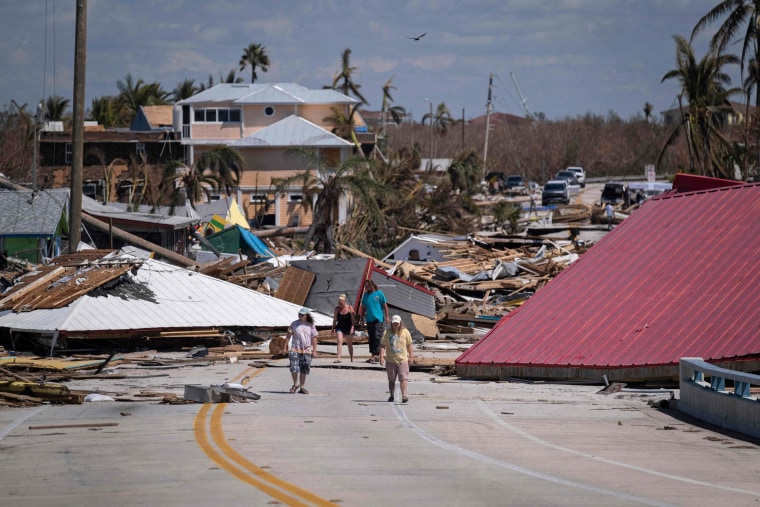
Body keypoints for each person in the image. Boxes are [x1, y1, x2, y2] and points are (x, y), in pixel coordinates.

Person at [380, 315, 413, 403]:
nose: (395, 324)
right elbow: (383, 345)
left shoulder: (405, 332)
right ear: (392, 323)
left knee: (403, 378)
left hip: (402, 360)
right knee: (391, 379)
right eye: (394, 323)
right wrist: (381, 356)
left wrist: (411, 357)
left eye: (397, 323)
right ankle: (391, 395)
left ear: (400, 323)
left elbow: (409, 345)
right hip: (391, 360)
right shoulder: (387, 332)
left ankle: (404, 396)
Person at [286, 307, 318, 394]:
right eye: (299, 314)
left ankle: (302, 387)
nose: (300, 316)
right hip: (295, 348)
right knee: (294, 367)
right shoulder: (294, 324)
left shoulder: (311, 325)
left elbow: (314, 338)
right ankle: (295, 384)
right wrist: (284, 347)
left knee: (304, 368)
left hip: (306, 350)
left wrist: (314, 351)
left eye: (302, 315)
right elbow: (288, 336)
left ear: (306, 315)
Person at [359, 279, 389, 364]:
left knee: (377, 336)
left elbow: (385, 306)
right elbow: (364, 307)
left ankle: (377, 354)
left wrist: (387, 317)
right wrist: (361, 318)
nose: (366, 288)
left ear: (372, 285)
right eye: (365, 287)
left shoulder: (379, 293)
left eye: (367, 286)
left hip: (378, 318)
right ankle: (373, 355)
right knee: (371, 337)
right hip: (369, 319)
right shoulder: (366, 296)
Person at [332, 294, 355, 363]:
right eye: (339, 304)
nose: (340, 305)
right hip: (340, 327)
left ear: (345, 302)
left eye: (341, 304)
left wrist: (352, 328)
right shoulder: (337, 309)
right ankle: (339, 358)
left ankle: (351, 357)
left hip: (348, 327)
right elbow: (335, 319)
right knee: (339, 340)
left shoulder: (350, 308)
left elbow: (353, 320)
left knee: (349, 344)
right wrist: (332, 328)